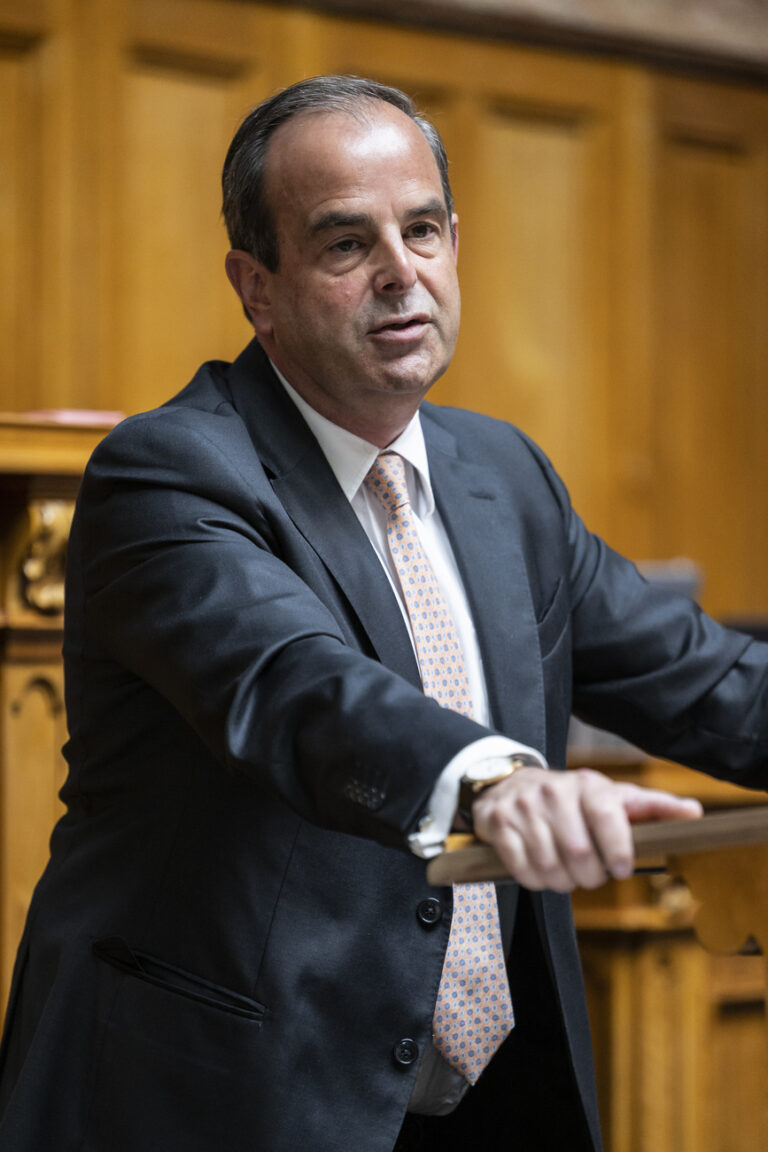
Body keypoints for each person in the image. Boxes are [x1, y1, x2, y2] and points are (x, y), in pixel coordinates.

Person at [0, 74, 766, 1152]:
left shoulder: (504, 476)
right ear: (256, 286)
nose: (401, 277)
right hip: (231, 1097)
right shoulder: (166, 475)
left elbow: (703, 679)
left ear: (458, 243)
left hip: (488, 1098)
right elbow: (302, 687)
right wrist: (493, 785)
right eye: (346, 245)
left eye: (421, 232)